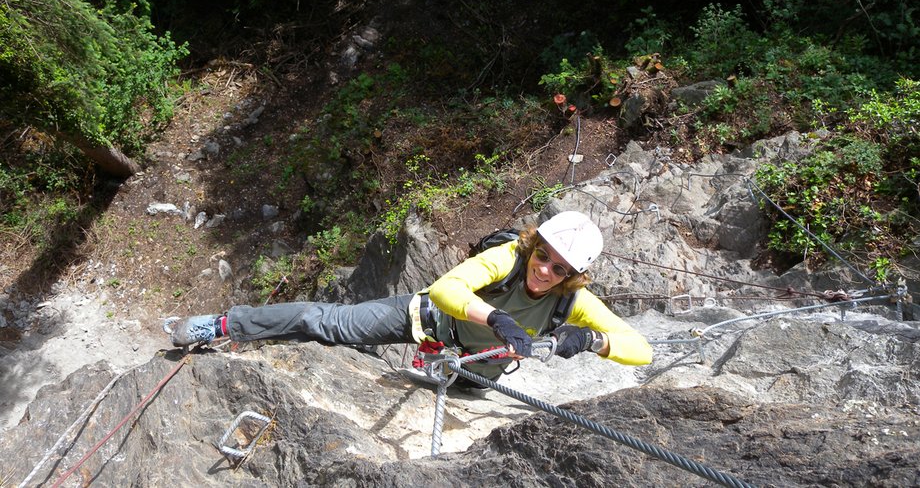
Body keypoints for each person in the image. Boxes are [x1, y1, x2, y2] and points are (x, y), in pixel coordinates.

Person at [169, 210, 653, 386]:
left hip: (473, 374)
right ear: (534, 246)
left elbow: (641, 350)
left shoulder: (572, 303)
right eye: (543, 256)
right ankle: (225, 325)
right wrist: (498, 319)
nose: (544, 271)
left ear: (573, 276)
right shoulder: (508, 256)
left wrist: (591, 342)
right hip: (424, 321)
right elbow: (446, 288)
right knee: (328, 322)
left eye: (559, 269)